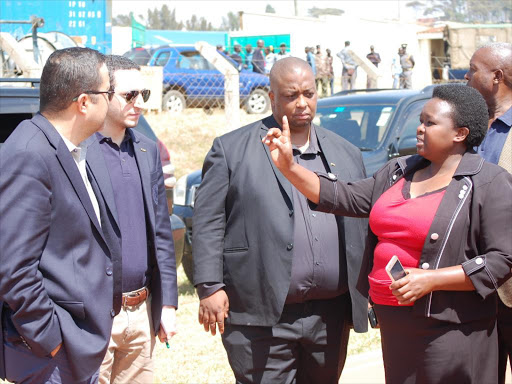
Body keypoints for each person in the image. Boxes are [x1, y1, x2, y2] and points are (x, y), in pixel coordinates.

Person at [264, 84, 512, 383]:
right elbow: (342, 196)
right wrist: (289, 167)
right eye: (420, 120)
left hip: (451, 329)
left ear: (460, 133)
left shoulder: (489, 183)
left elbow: (503, 259)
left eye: (430, 123)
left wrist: (432, 279)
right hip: (397, 326)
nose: (419, 129)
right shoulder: (398, 171)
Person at [193, 57, 368, 383]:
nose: (302, 103)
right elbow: (208, 222)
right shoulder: (231, 150)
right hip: (260, 315)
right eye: (291, 95)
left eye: (309, 93)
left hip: (328, 317)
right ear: (271, 96)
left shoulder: (346, 153)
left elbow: (362, 225)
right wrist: (210, 286)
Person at [0, 47, 121, 383]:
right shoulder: (29, 154)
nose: (113, 101)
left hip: (77, 345)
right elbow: (13, 266)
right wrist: (50, 338)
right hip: (51, 356)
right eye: (108, 92)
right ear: (83, 102)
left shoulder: (76, 149)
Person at [94, 55, 178, 383]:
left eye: (143, 94)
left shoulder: (147, 149)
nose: (139, 103)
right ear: (103, 94)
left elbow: (160, 231)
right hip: (95, 315)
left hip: (140, 311)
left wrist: (167, 304)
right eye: (129, 95)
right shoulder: (77, 152)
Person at [465, 42, 512, 384]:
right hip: (471, 289)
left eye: (472, 70)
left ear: (495, 77)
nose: (465, 77)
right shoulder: (469, 128)